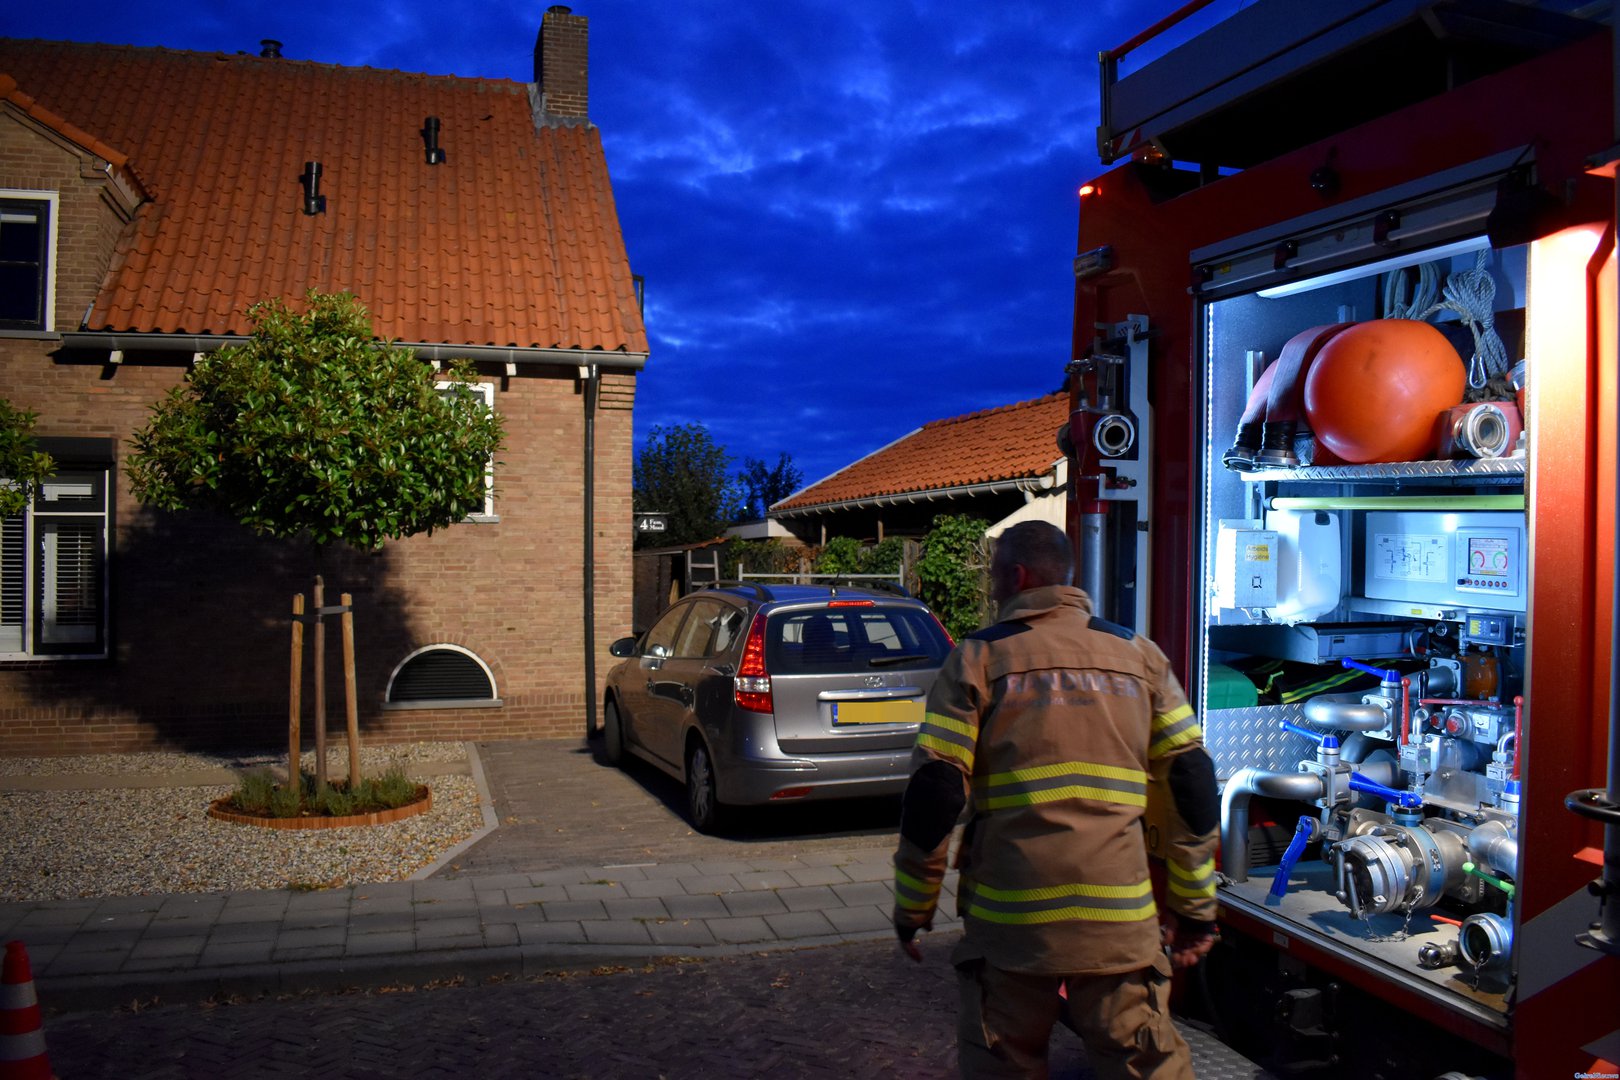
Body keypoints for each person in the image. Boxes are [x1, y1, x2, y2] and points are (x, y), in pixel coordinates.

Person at [892, 520, 1220, 1079]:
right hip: (1118, 924)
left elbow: (936, 792)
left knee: (1005, 1063)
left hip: (1011, 927)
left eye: (995, 575)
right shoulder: (1140, 655)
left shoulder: (977, 659)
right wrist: (1194, 908)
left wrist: (914, 906)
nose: (993, 587)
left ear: (1016, 576)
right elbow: (1190, 781)